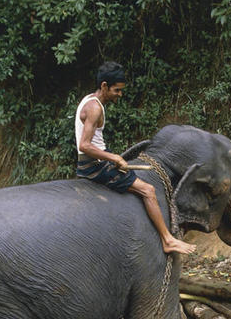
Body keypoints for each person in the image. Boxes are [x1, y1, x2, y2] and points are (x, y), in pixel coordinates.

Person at [75, 61, 196, 255]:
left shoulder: (89, 99)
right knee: (148, 190)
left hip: (96, 162)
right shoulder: (95, 108)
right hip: (95, 167)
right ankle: (168, 240)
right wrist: (114, 158)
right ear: (104, 86)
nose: (120, 95)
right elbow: (84, 145)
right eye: (117, 90)